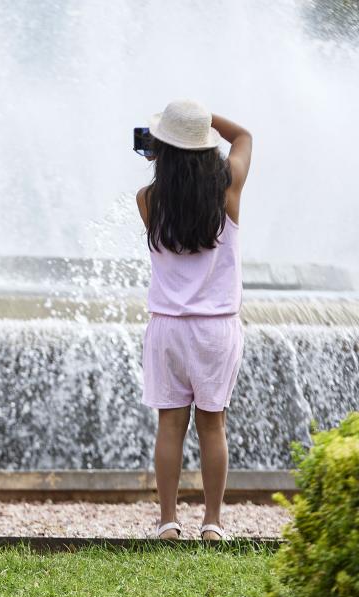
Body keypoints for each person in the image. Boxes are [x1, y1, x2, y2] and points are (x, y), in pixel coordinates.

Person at [134, 99, 252, 541]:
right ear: (205, 147)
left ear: (161, 149)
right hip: (216, 328)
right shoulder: (228, 192)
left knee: (169, 424)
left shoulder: (148, 199)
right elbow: (243, 137)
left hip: (167, 327)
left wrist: (167, 139)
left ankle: (167, 521)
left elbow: (170, 172)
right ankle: (213, 523)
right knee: (212, 424)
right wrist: (204, 121)